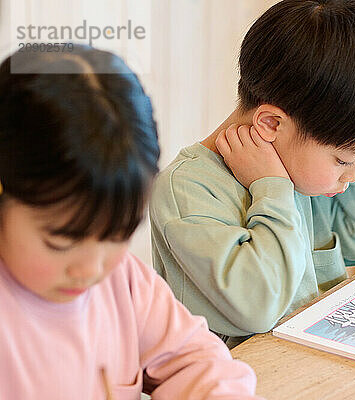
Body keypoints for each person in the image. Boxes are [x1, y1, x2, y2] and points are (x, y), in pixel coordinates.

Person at [150, 0, 355, 347]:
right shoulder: (188, 189)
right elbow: (259, 309)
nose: (354, 175)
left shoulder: (304, 170)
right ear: (270, 124)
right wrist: (272, 188)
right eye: (343, 160)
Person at [0, 46, 259, 399]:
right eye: (60, 242)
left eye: (117, 236)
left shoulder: (123, 280)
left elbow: (196, 360)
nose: (91, 269)